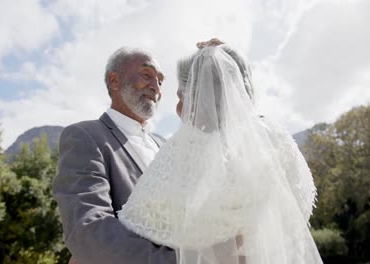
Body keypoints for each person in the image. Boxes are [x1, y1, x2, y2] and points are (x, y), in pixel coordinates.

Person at [118, 40, 323, 263]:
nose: (177, 108)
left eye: (180, 96)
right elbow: (294, 207)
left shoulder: (186, 152)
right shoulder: (273, 139)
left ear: (199, 96)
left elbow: (139, 220)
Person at [52, 47, 176, 264]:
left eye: (160, 81)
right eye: (147, 75)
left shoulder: (166, 145)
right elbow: (88, 229)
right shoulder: (84, 136)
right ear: (114, 81)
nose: (156, 87)